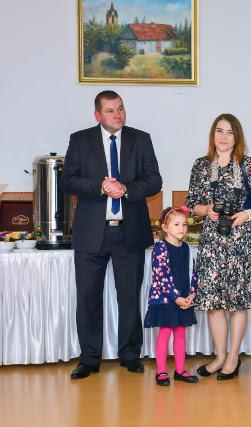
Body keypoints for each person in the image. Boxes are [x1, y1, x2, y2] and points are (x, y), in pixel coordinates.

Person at [61, 90, 162, 380]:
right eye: (110, 110)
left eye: (120, 108)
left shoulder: (141, 139)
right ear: (97, 115)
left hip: (129, 232)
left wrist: (126, 189)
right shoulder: (80, 140)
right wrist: (101, 186)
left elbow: (154, 181)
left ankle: (130, 354)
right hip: (91, 233)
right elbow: (68, 180)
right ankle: (89, 358)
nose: (118, 115)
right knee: (88, 298)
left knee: (129, 296)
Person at [187, 113, 251, 381]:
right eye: (219, 131)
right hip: (211, 240)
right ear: (213, 134)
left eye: (230, 132)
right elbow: (191, 203)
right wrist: (206, 210)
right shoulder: (201, 165)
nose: (223, 137)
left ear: (237, 136)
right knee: (214, 302)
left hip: (240, 239)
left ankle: (233, 356)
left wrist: (247, 214)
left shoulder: (247, 164)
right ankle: (219, 356)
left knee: (238, 301)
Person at [144, 206, 198, 386]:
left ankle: (180, 370)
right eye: (176, 224)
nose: (181, 228)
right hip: (166, 299)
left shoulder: (186, 248)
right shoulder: (160, 248)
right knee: (165, 332)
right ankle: (161, 371)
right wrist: (176, 297)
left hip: (183, 298)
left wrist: (191, 294)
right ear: (165, 227)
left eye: (184, 224)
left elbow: (192, 271)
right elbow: (161, 277)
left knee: (181, 332)